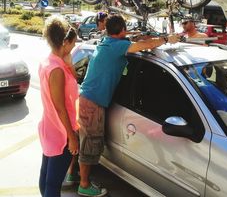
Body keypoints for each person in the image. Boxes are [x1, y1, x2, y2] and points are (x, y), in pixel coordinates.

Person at [78, 14, 180, 196]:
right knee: (90, 144)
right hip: (93, 103)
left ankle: (73, 175)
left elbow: (133, 40)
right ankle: (84, 185)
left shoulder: (107, 42)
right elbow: (145, 46)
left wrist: (138, 35)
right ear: (122, 30)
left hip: (87, 98)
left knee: (85, 141)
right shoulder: (119, 46)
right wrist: (166, 39)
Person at [38, 16, 79, 197]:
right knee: (53, 185)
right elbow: (60, 107)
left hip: (50, 127)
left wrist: (69, 63)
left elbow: (73, 83)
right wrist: (71, 137)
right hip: (61, 133)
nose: (73, 47)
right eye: (73, 44)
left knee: (46, 178)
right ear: (65, 42)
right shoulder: (57, 70)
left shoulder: (49, 62)